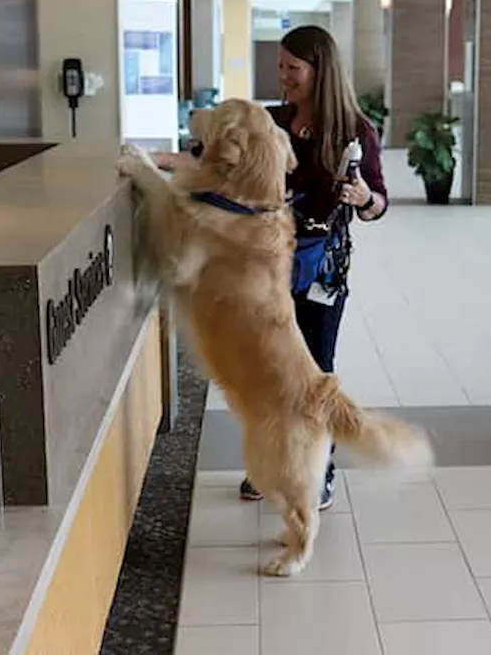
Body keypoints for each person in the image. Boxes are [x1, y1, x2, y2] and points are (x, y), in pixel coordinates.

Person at [155, 26, 388, 510]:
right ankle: (268, 463)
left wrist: (365, 197)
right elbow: (213, 161)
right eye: (280, 66)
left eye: (292, 69)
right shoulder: (272, 120)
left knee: (313, 372)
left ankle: (318, 470)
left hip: (318, 271)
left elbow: (378, 204)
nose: (283, 77)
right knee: (265, 371)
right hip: (259, 266)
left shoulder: (355, 131)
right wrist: (155, 160)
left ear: (320, 72)